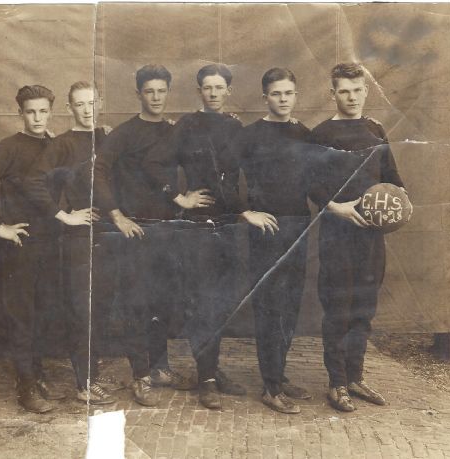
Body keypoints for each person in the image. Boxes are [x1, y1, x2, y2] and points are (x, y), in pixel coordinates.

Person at [24, 82, 135, 406]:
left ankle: (90, 374)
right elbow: (34, 181)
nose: (87, 110)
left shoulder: (108, 137)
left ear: (99, 103)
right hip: (77, 239)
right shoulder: (61, 144)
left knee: (100, 308)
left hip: (108, 235)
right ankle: (83, 385)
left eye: (91, 103)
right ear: (70, 108)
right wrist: (63, 214)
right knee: (82, 311)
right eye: (79, 104)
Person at [144, 64, 247, 409]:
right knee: (203, 303)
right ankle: (206, 380)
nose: (214, 93)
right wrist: (180, 197)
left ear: (228, 90)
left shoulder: (236, 127)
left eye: (220, 87)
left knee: (223, 302)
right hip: (199, 226)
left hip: (230, 224)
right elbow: (155, 163)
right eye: (207, 88)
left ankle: (212, 369)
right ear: (199, 91)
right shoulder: (187, 126)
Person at [309, 62, 407, 412]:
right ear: (332, 93)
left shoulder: (376, 129)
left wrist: (397, 204)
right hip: (337, 236)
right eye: (343, 91)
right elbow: (312, 186)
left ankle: (355, 377)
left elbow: (393, 177)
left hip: (371, 238)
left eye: (356, 90)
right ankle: (336, 384)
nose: (351, 97)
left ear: (366, 90)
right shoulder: (321, 134)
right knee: (339, 309)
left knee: (364, 308)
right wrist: (337, 207)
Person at [0, 85, 68, 413]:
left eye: (42, 111)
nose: (37, 117)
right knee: (22, 315)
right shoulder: (9, 147)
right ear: (20, 114)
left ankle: (35, 375)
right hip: (20, 245)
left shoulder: (56, 145)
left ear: (50, 112)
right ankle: (25, 385)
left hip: (51, 243)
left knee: (44, 311)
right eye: (30, 112)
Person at [93, 64, 193, 391]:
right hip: (135, 232)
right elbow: (99, 172)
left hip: (168, 229)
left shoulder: (173, 130)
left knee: (163, 302)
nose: (156, 97)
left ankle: (160, 368)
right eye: (149, 91)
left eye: (162, 91)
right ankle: (140, 376)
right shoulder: (123, 133)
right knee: (137, 304)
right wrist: (117, 215)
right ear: (138, 94)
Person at [230, 68, 313, 414]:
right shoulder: (249, 136)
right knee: (269, 306)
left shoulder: (305, 134)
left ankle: (279, 375)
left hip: (299, 225)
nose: (283, 99)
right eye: (277, 93)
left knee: (290, 304)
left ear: (296, 95)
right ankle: (270, 386)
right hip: (267, 229)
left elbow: (319, 180)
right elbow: (225, 179)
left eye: (289, 93)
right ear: (265, 97)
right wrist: (246, 212)